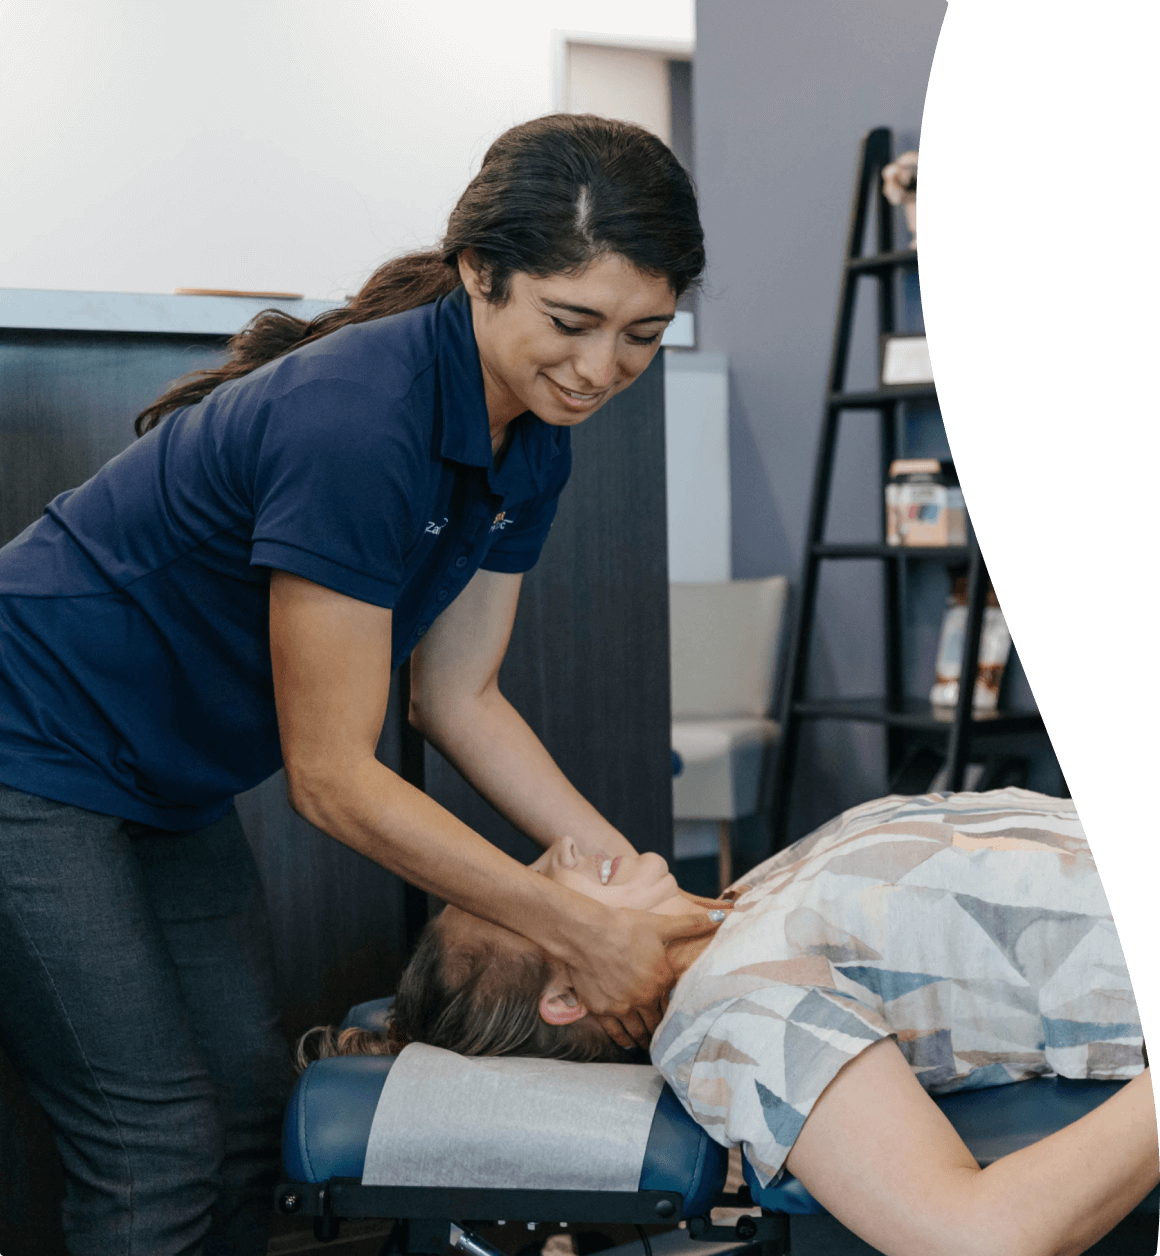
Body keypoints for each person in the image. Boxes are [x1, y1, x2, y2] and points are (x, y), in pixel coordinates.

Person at [0, 114, 716, 1255]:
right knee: (155, 1139)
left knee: (244, 1116)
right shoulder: (360, 416)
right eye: (570, 322)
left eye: (642, 334)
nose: (598, 370)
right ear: (480, 272)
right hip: (24, 745)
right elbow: (332, 781)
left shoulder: (531, 432)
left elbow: (459, 695)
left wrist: (621, 871)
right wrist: (577, 927)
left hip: (159, 777)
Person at [308, 788, 1157, 1256]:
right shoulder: (731, 1009)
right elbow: (977, 1239)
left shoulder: (740, 899)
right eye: (538, 886)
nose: (562, 849)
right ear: (568, 996)